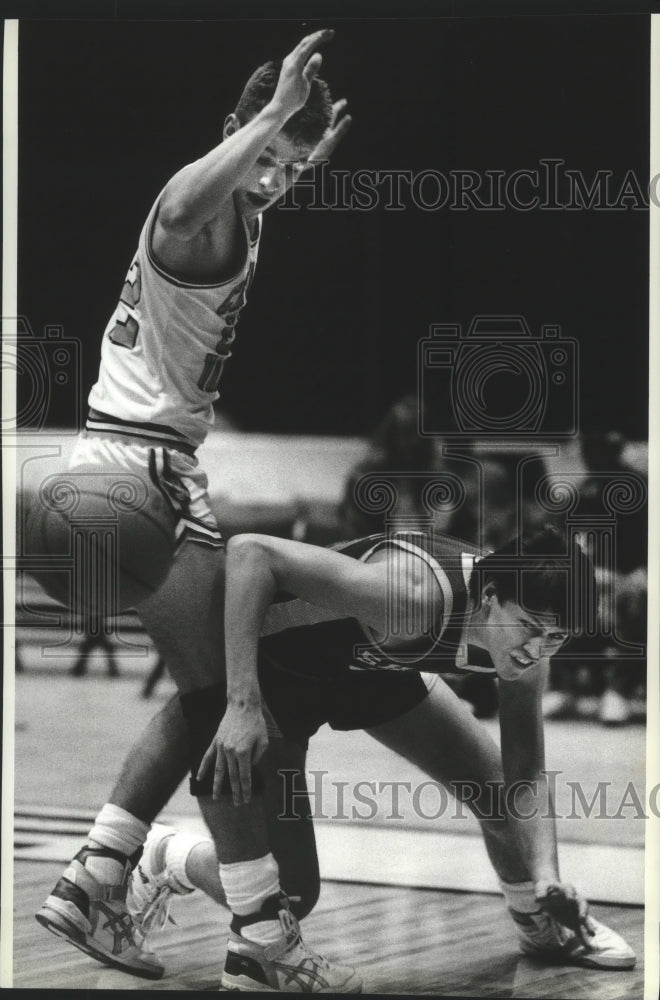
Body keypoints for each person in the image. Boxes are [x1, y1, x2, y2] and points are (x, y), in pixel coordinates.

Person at [35, 29, 359, 992]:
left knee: (203, 694)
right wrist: (268, 118)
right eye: (265, 157)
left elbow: (250, 188)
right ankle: (260, 933)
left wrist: (290, 151)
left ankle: (98, 874)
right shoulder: (192, 210)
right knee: (229, 701)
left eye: (294, 168)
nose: (276, 178)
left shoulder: (248, 209)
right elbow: (182, 203)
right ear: (233, 129)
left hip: (105, 473)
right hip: (138, 475)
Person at [133, 523, 635, 989]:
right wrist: (240, 700)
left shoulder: (527, 650)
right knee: (295, 894)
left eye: (556, 638)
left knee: (496, 792)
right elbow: (249, 553)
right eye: (530, 627)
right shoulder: (415, 594)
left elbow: (526, 776)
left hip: (367, 667)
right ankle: (166, 856)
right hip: (280, 668)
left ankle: (538, 921)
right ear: (488, 598)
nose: (537, 649)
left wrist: (547, 876)